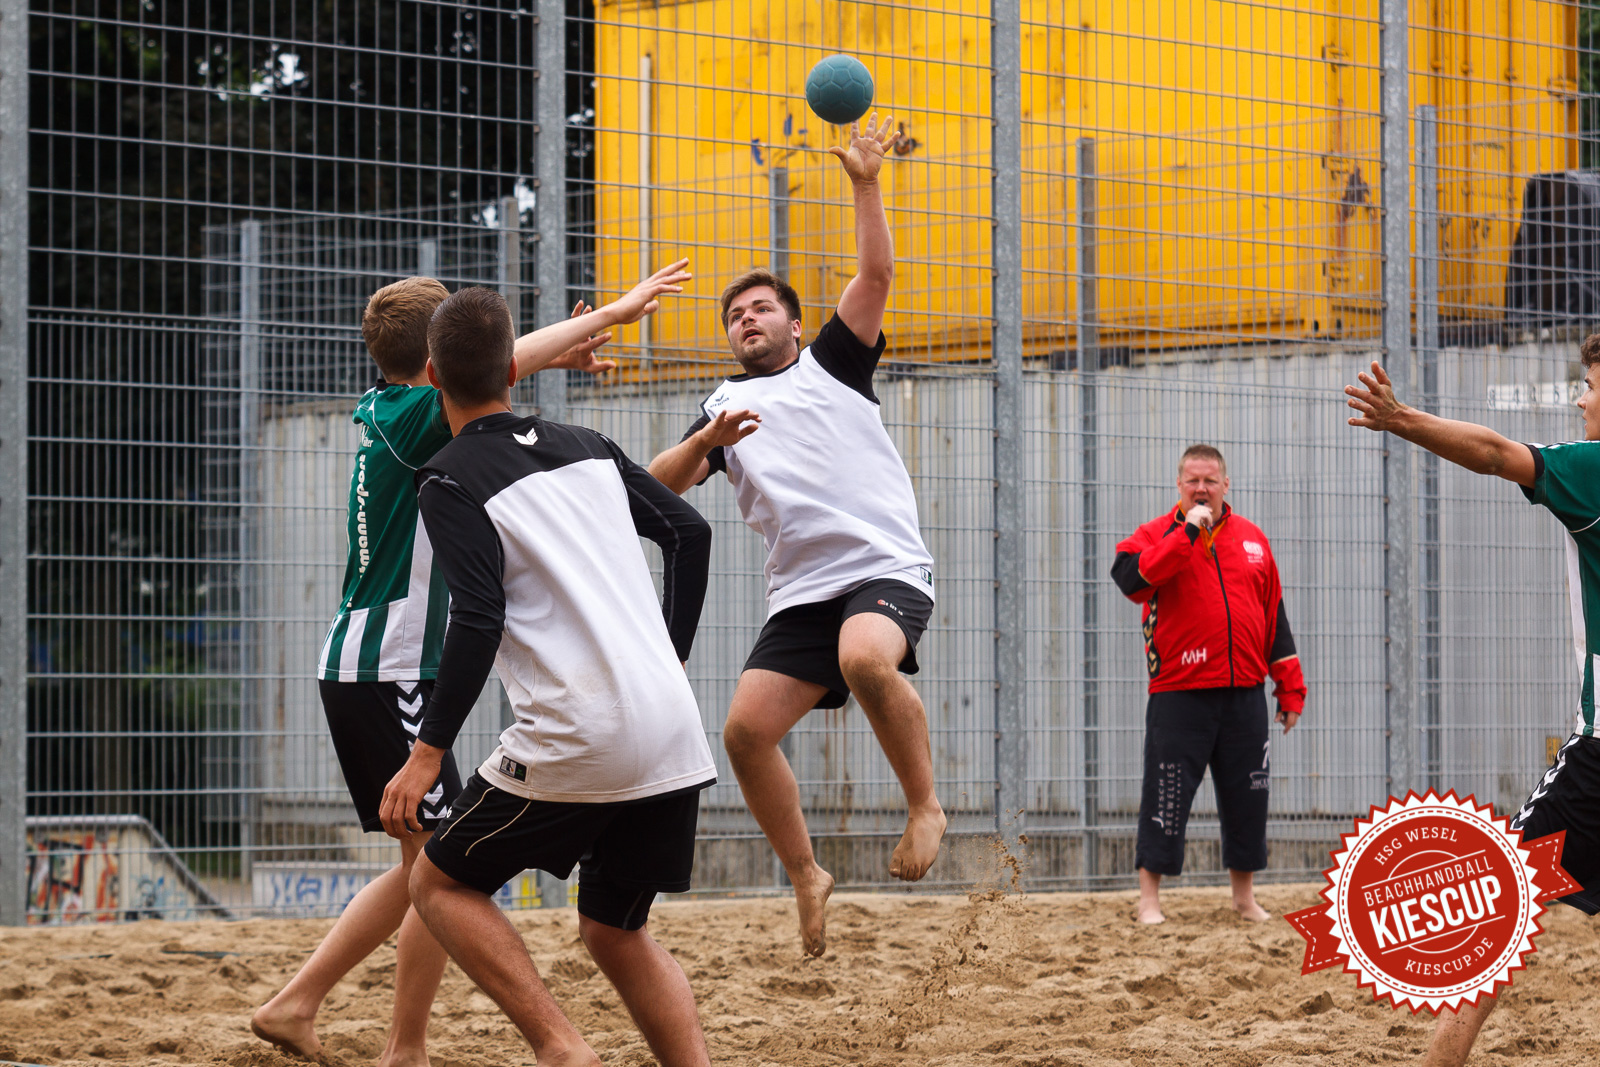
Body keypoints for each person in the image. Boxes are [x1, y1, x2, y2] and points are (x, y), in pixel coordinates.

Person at [250, 261, 690, 1065]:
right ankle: (392, 1039)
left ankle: (314, 1008)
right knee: (437, 869)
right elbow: (496, 364)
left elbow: (493, 366)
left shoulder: (389, 409)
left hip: (375, 664)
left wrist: (558, 351)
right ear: (430, 363)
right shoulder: (418, 415)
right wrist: (612, 315)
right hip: (389, 667)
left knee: (428, 865)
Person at [379, 285, 717, 1067]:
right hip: (671, 724)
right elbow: (690, 532)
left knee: (438, 884)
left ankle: (562, 1046)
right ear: (513, 368)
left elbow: (477, 617)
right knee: (615, 928)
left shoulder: (447, 476)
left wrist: (428, 752)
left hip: (579, 731)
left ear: (432, 375)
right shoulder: (588, 444)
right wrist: (672, 653)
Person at [646, 113, 946, 957]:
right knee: (744, 732)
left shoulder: (834, 364)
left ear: (794, 324)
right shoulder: (723, 408)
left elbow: (876, 271)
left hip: (882, 566)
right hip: (802, 591)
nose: (747, 319)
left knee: (864, 658)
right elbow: (655, 487)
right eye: (735, 314)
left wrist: (865, 182)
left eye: (762, 307)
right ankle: (807, 874)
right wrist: (705, 444)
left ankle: (925, 804)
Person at [1346, 354, 1600, 1067]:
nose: (1581, 401)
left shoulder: (1594, 470)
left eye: (1590, 386)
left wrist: (1401, 418)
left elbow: (1493, 453)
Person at [1110, 444, 1307, 925]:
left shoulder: (1253, 540)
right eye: (1193, 481)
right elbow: (1130, 581)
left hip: (1245, 693)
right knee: (1166, 794)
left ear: (1225, 485)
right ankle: (1149, 901)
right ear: (1179, 485)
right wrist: (1186, 535)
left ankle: (1244, 899)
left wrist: (1289, 689)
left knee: (1248, 798)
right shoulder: (1154, 535)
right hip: (1179, 692)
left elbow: (1273, 618)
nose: (1202, 489)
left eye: (1210, 481)